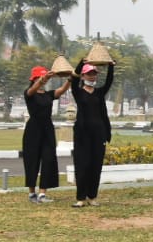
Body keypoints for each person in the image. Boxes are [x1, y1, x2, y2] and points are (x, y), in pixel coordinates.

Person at [22, 65, 70, 203]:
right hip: (33, 130)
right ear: (34, 78)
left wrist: (70, 80)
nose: (44, 80)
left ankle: (42, 193)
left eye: (44, 77)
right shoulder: (29, 93)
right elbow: (33, 90)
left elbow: (61, 90)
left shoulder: (48, 95)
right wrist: (43, 79)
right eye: (40, 77)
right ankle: (32, 193)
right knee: (32, 161)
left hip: (47, 129)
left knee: (48, 159)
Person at [71, 59, 114, 208]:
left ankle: (92, 197)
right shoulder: (78, 92)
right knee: (82, 166)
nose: (92, 77)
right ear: (83, 76)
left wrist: (111, 66)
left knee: (95, 166)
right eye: (89, 74)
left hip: (98, 134)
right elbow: (73, 79)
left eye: (94, 74)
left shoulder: (99, 93)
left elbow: (109, 82)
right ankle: (80, 198)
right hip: (82, 136)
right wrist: (81, 63)